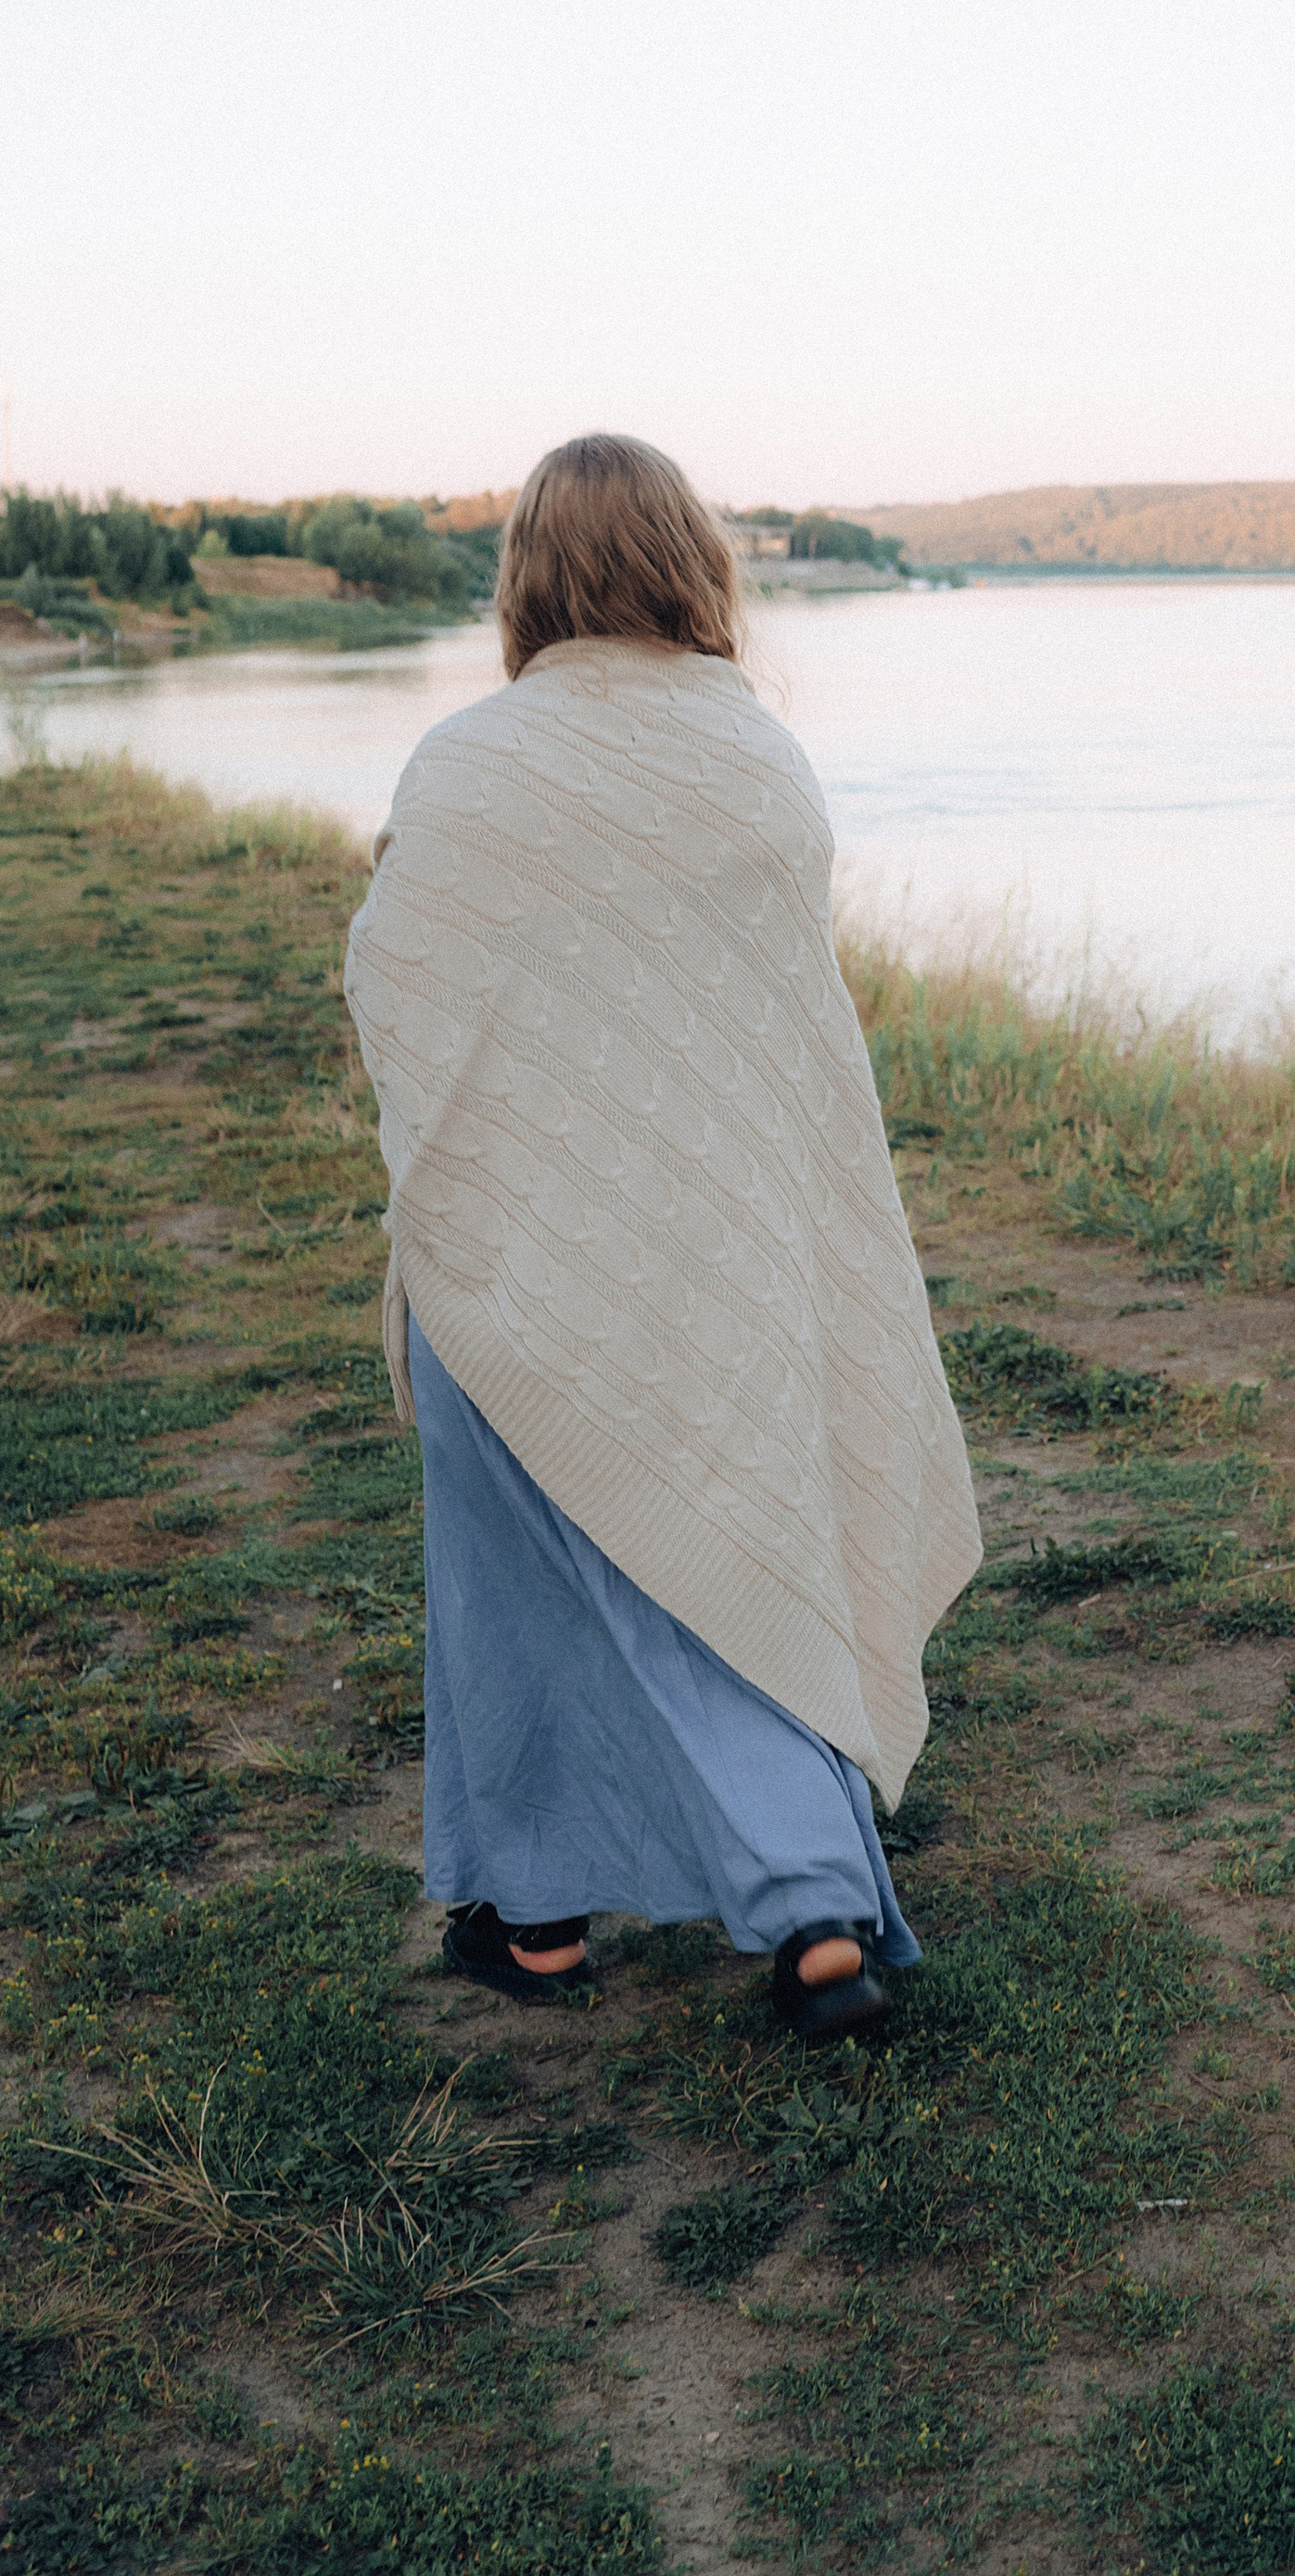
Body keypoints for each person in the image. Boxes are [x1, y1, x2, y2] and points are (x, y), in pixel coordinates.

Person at [343, 432, 981, 2038]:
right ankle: (694, 1901)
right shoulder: (756, 756)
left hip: (518, 1251)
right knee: (722, 1538)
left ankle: (705, 1910)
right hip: (728, 1256)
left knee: (533, 1573)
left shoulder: (467, 763)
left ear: (527, 579)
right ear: (693, 562)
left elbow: (392, 983)